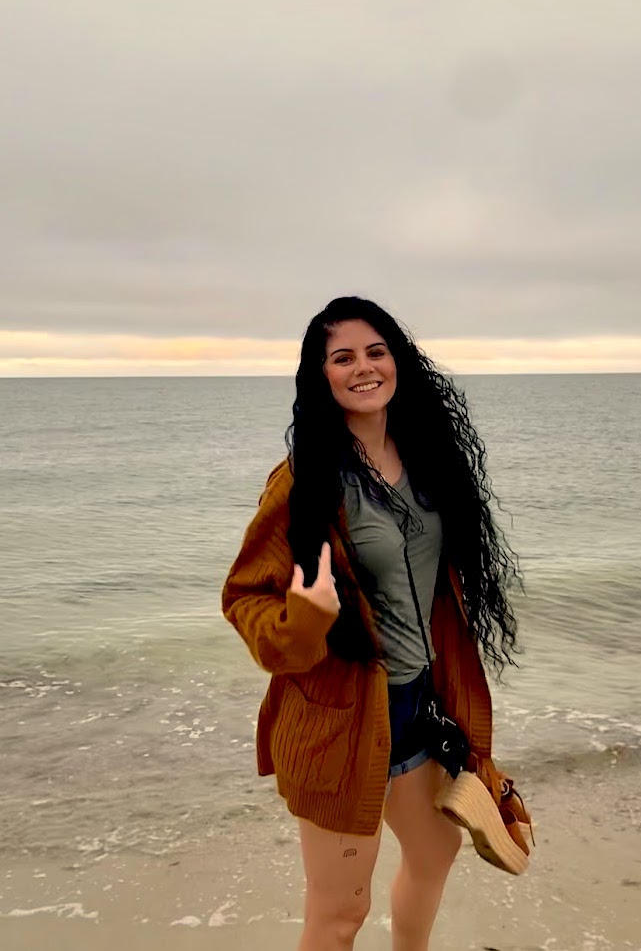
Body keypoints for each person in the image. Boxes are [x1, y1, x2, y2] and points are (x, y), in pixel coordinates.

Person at [222, 296, 522, 951]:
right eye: (343, 357)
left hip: (420, 707)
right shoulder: (305, 480)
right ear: (320, 376)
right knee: (339, 913)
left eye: (376, 351)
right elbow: (244, 596)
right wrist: (307, 617)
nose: (364, 367)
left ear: (398, 362)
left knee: (436, 852)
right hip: (341, 719)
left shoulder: (426, 461)